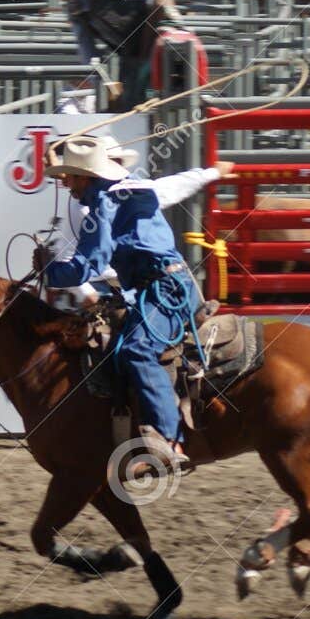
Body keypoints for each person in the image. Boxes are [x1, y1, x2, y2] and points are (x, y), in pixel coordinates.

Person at [41, 134, 234, 475]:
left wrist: (50, 270)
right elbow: (177, 185)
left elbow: (91, 263)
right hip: (162, 285)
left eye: (69, 176)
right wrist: (210, 173)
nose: (65, 183)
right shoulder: (134, 189)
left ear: (87, 175)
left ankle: (169, 440)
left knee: (135, 350)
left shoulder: (103, 203)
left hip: (163, 288)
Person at [31, 0, 183, 109]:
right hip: (133, 56)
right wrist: (101, 83)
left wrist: (169, 21)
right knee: (133, 103)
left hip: (156, 48)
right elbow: (88, 52)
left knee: (148, 100)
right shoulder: (76, 10)